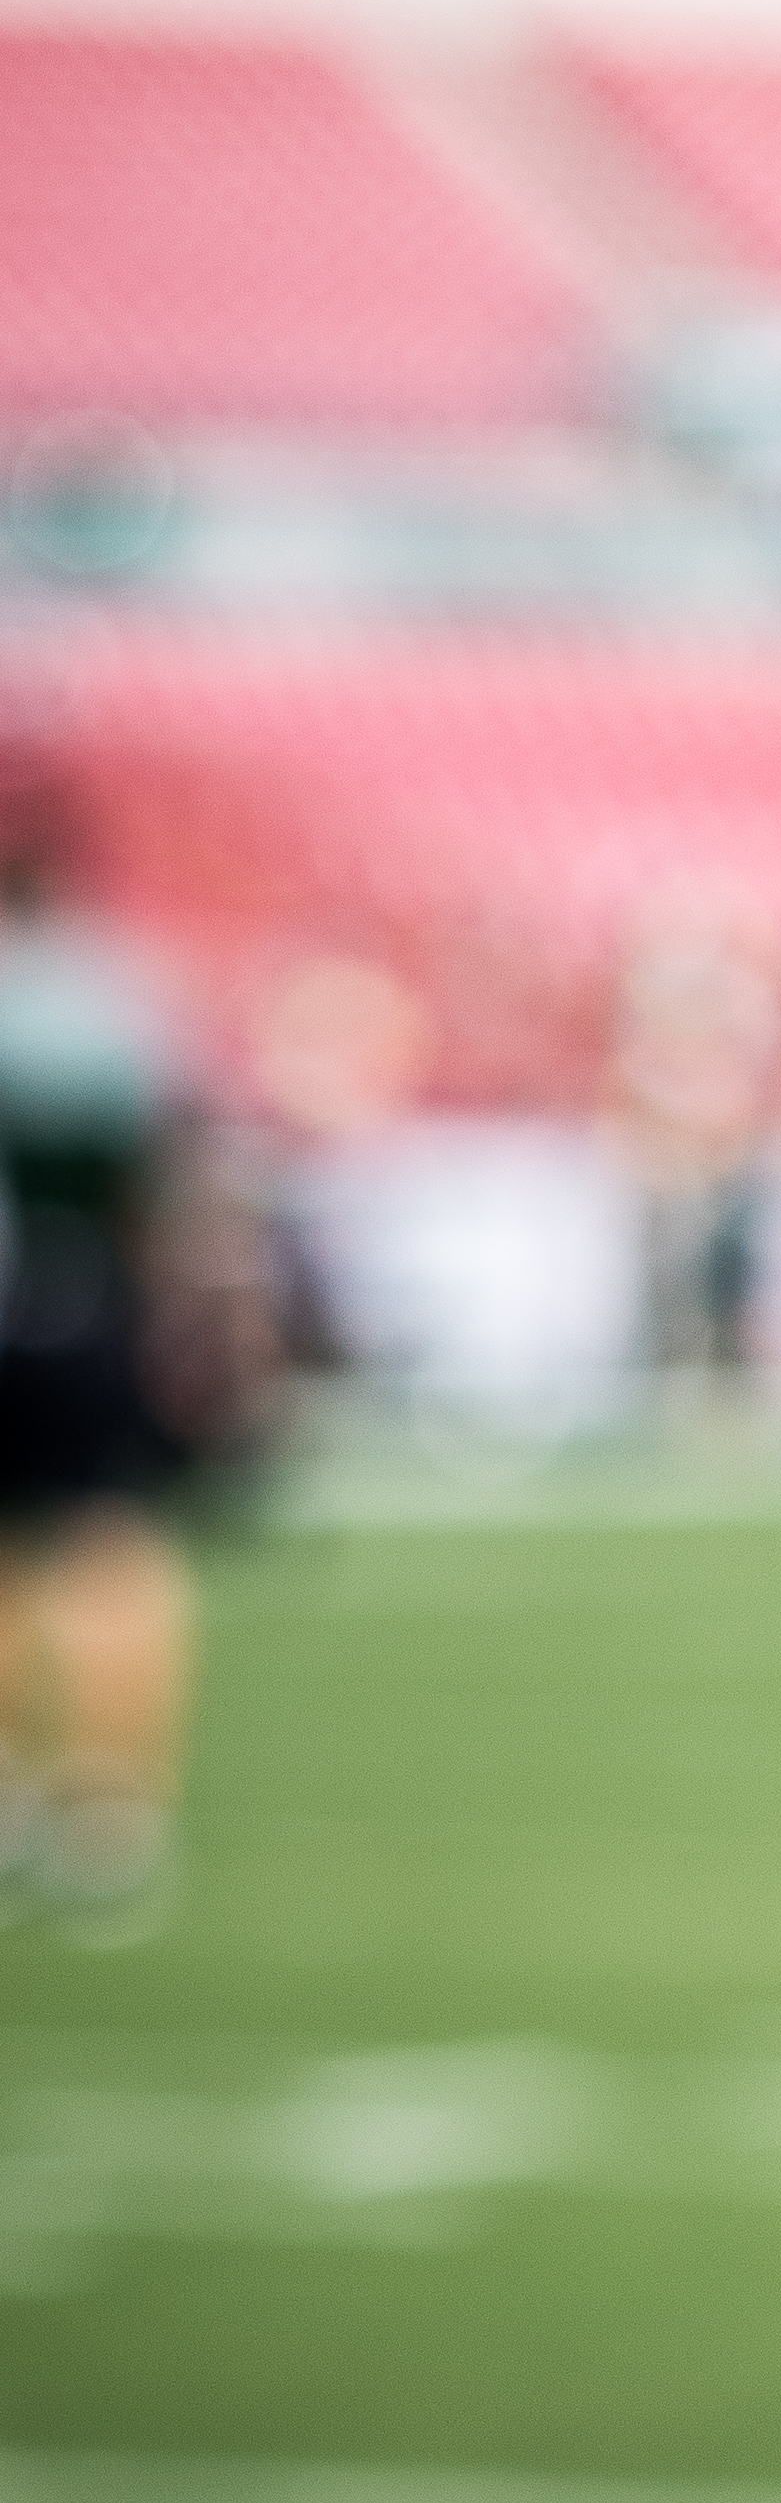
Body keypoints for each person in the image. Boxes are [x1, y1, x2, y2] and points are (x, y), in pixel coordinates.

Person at [0, 798, 248, 1933]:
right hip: (88, 1306)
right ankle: (109, 1796)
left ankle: (27, 1779)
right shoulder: (108, 1002)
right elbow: (173, 1177)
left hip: (39, 1302)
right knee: (106, 1546)